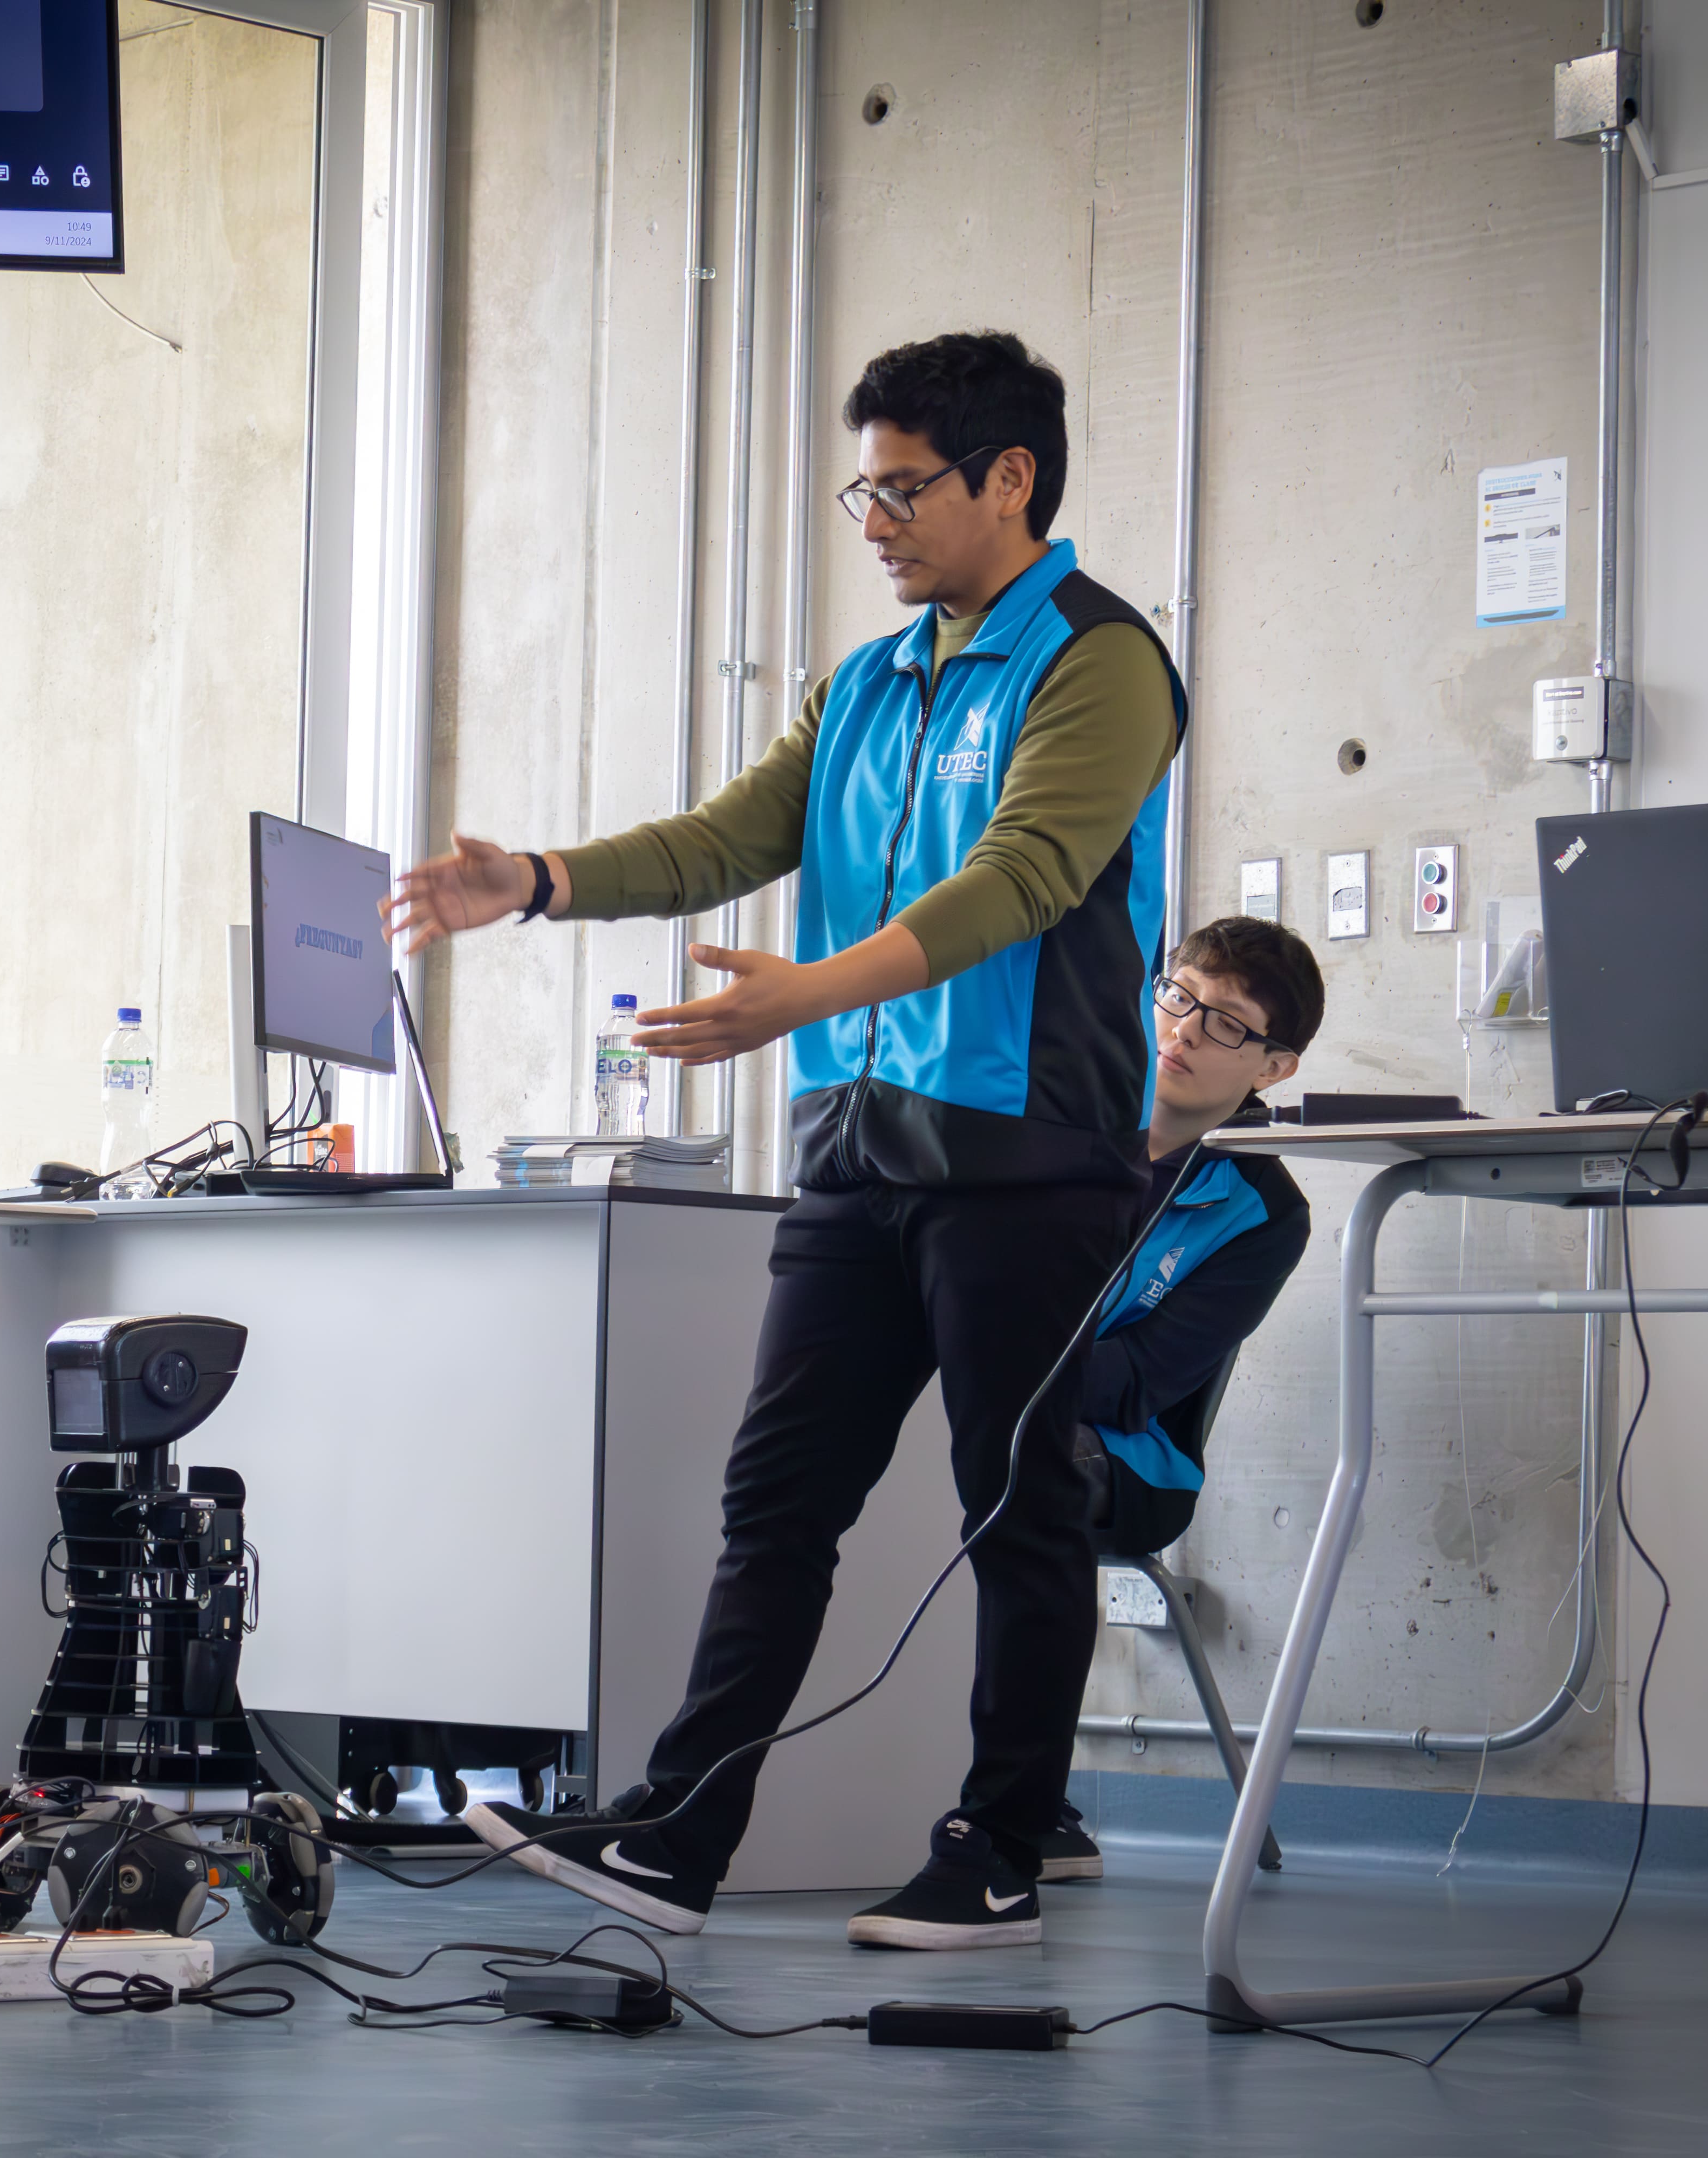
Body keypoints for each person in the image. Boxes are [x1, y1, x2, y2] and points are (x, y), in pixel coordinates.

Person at [389, 329, 1184, 1950]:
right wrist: (533, 879)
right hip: (858, 1150)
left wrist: (799, 992)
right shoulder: (865, 682)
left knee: (1020, 1505)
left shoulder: (1100, 661)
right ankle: (680, 1837)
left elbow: (1026, 875)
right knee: (775, 1505)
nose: (875, 520)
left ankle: (1006, 1847)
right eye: (861, 492)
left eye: (902, 488)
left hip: (1028, 1156)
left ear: (1008, 478)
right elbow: (725, 841)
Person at [1031, 916, 1321, 1884]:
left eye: (1228, 1024)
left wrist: (990, 1357)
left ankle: (1028, 1802)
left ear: (1273, 1068)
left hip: (1130, 1456)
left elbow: (1140, 1379)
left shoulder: (1265, 1211)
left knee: (1030, 1468)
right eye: (1180, 997)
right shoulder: (1052, 1118)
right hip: (997, 1397)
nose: (1187, 1030)